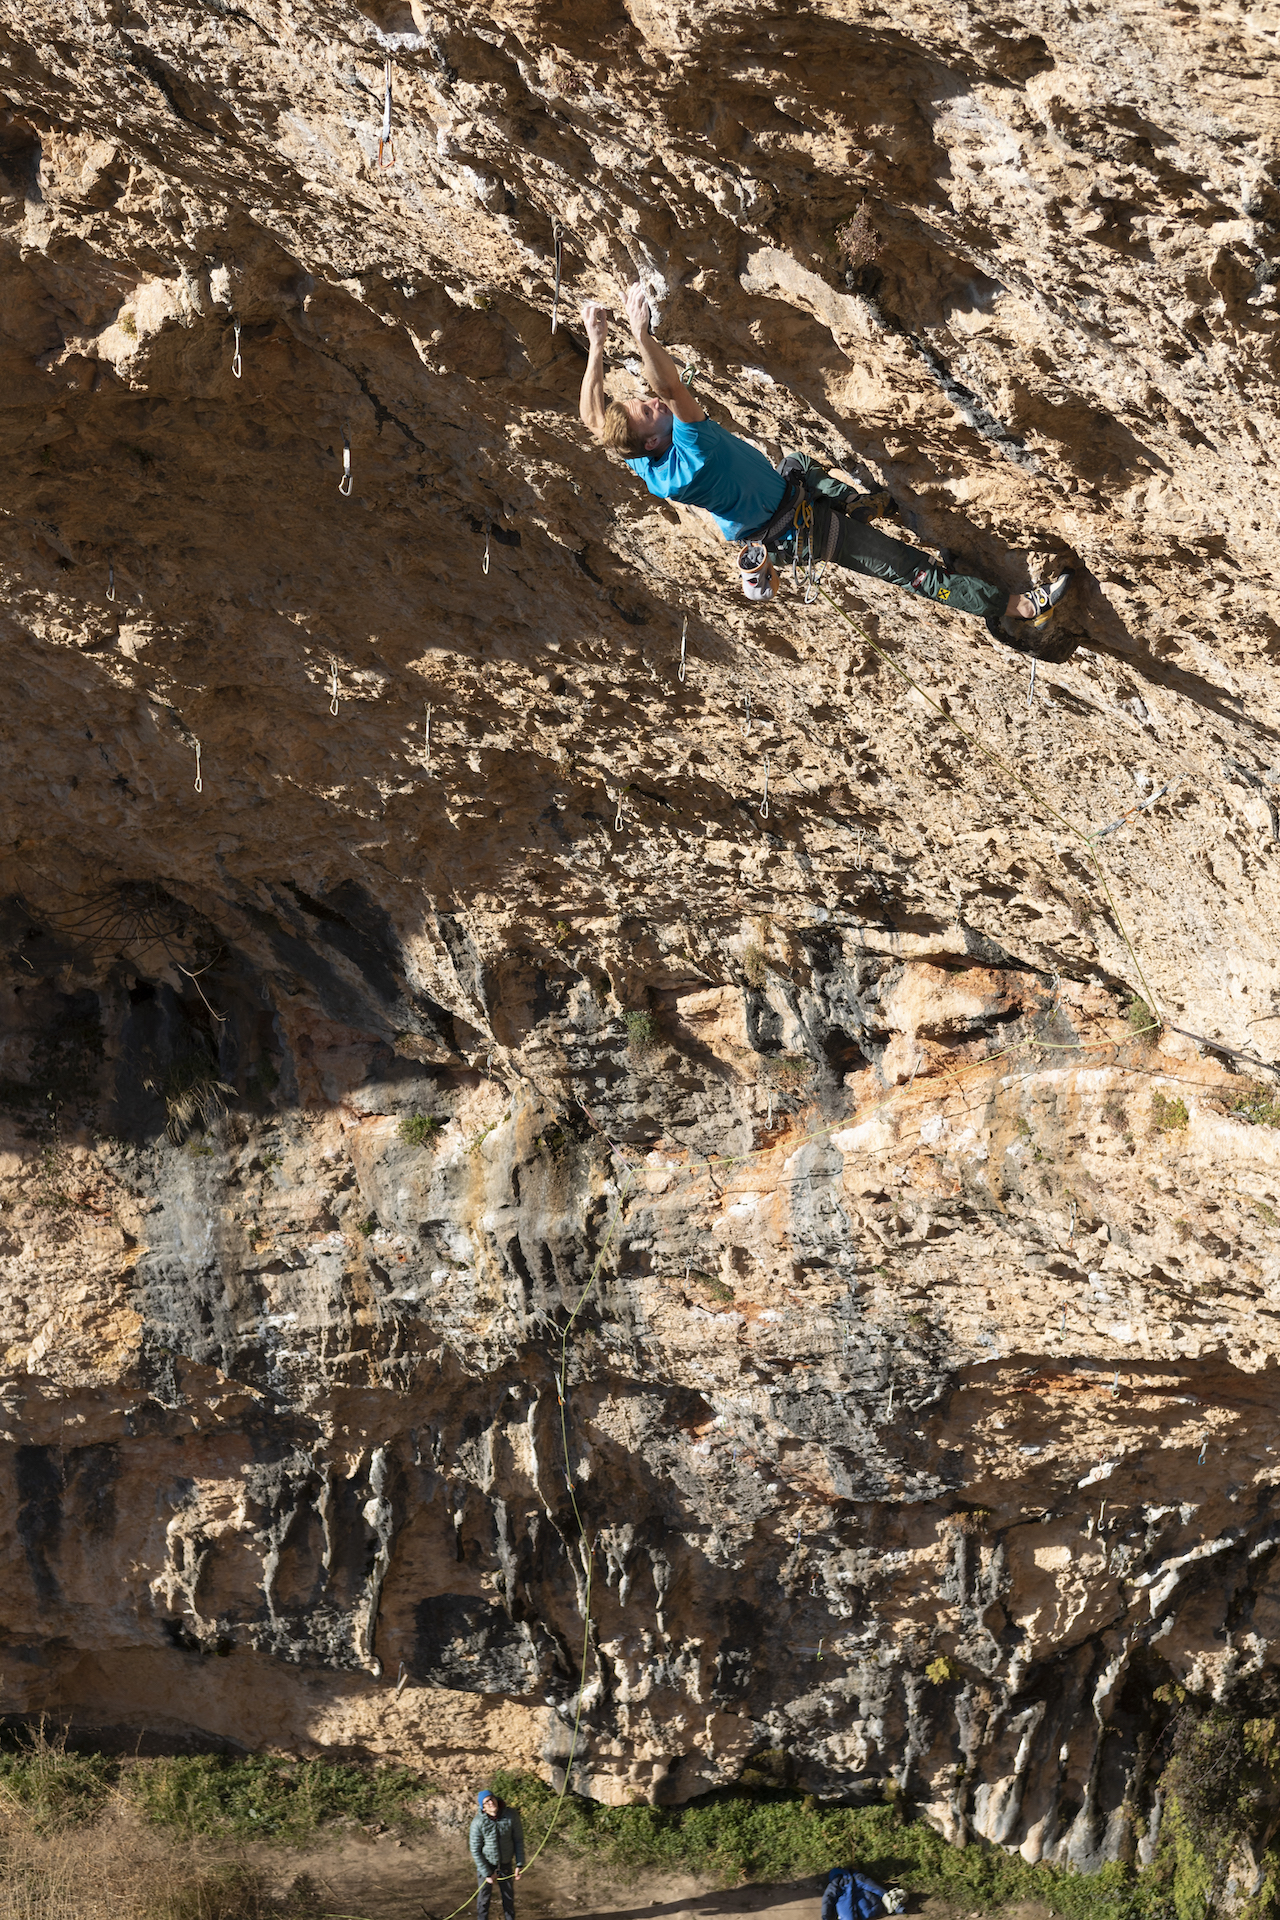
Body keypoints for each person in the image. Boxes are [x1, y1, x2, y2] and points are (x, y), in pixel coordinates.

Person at [578, 283, 1072, 648]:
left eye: (644, 401)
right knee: (911, 571)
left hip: (786, 500)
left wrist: (596, 344)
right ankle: (1018, 609)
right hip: (805, 533)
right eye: (647, 412)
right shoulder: (692, 451)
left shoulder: (647, 465)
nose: (651, 403)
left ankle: (863, 503)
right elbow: (671, 388)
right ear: (653, 439)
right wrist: (640, 335)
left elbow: (593, 416)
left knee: (799, 463)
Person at [469, 1788, 525, 1920]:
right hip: (487, 1865)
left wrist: (519, 1863)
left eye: (491, 1799)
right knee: (484, 1900)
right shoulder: (477, 1822)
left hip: (506, 1864)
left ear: (496, 1799)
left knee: (508, 1898)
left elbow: (518, 1840)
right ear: (483, 1808)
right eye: (486, 1802)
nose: (490, 1803)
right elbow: (475, 1850)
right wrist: (487, 1874)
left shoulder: (511, 1815)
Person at [821, 1864, 908, 1920]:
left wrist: (825, 1916)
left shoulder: (840, 1882)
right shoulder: (842, 1881)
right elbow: (876, 1888)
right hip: (866, 1908)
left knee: (851, 1915)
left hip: (859, 1909)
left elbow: (827, 1899)